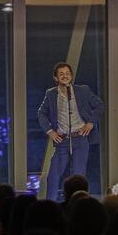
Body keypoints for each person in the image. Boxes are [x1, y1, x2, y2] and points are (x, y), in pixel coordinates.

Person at [37, 62, 103, 203]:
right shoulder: (51, 94)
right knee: (53, 175)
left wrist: (91, 122)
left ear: (71, 76)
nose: (65, 76)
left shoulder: (83, 90)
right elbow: (41, 113)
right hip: (62, 140)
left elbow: (99, 105)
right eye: (61, 74)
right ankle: (50, 205)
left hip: (80, 139)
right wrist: (50, 131)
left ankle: (78, 205)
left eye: (67, 73)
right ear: (56, 78)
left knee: (78, 177)